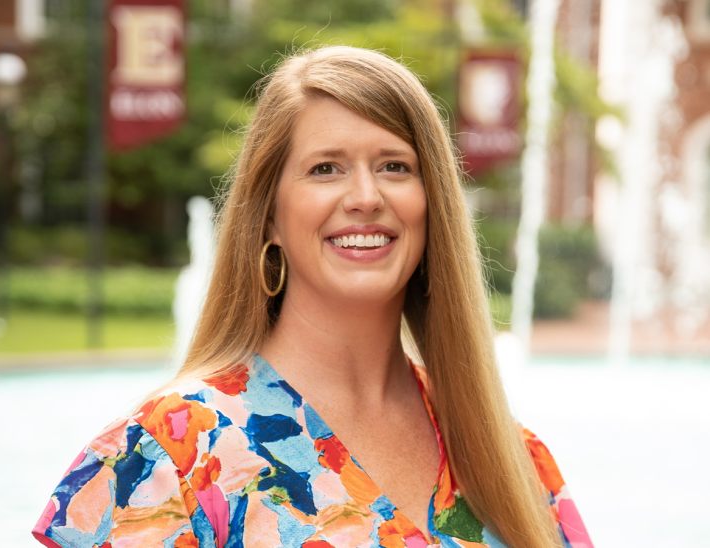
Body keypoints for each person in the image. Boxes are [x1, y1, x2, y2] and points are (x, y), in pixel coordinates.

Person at [32, 46, 593, 548]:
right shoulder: (172, 452)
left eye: (395, 166)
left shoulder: (507, 454)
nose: (366, 197)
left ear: (433, 205)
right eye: (326, 169)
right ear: (269, 216)